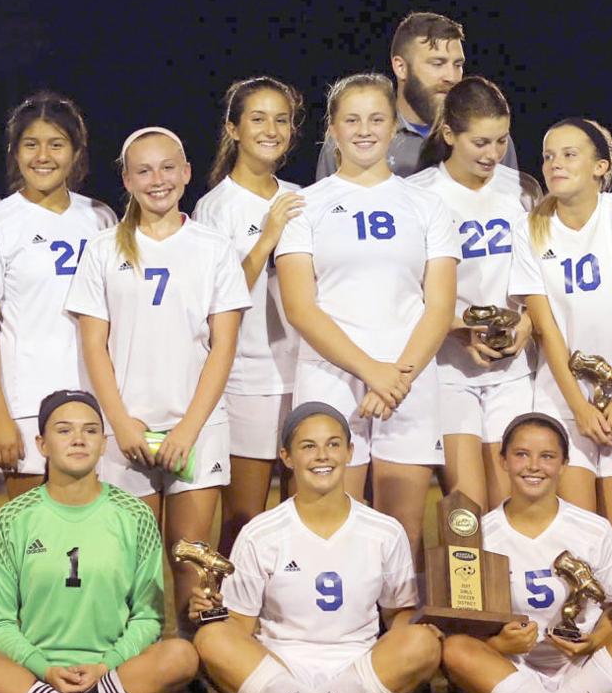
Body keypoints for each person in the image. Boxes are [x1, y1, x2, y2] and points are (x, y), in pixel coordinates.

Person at [276, 73, 458, 561]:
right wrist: (372, 372)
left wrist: (396, 377)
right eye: (352, 120)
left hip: (408, 378)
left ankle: (400, 612)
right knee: (332, 522)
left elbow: (440, 307)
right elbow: (300, 308)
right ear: (332, 128)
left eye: (376, 119)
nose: (364, 130)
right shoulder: (304, 206)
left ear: (393, 126)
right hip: (331, 377)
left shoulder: (427, 205)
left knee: (404, 530)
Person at [69, 126, 247, 626]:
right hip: (127, 433)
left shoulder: (213, 247)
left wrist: (188, 430)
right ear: (127, 180)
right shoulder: (104, 249)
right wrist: (120, 425)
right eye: (143, 171)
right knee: (132, 571)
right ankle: (135, 664)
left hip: (197, 431)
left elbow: (223, 345)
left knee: (192, 568)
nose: (158, 180)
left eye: (168, 167)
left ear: (186, 173)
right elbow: (93, 345)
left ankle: (192, 663)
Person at [0, 390, 197, 693]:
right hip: (36, 674)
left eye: (91, 430)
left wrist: (105, 666)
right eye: (64, 430)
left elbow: (148, 617)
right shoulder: (12, 518)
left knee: (182, 656)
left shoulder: (134, 515)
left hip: (114, 674)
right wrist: (44, 669)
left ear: (103, 444)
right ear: (42, 445)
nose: (79, 439)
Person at [189, 402, 438, 693]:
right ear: (287, 457)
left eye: (333, 444)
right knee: (211, 638)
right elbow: (239, 625)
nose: (322, 456)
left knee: (424, 643)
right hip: (280, 666)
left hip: (358, 668)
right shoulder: (260, 533)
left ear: (349, 452)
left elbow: (397, 614)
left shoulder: (385, 531)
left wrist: (422, 624)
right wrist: (212, 613)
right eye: (308, 446)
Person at [440, 414, 612, 693]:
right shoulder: (480, 535)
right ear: (503, 460)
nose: (534, 466)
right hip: (513, 665)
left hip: (585, 665)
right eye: (522, 454)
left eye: (547, 456)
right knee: (454, 649)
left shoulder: (594, 528)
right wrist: (498, 644)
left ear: (563, 464)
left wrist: (594, 640)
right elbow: (463, 625)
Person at [0, 93, 118, 496]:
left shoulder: (100, 218)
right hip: (26, 402)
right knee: (31, 525)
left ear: (76, 152)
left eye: (56, 144)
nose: (43, 156)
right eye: (31, 144)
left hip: (95, 399)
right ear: (15, 152)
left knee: (91, 521)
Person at [511, 118, 612, 540]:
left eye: (569, 154)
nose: (555, 164)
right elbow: (545, 329)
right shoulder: (529, 227)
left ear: (600, 166)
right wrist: (578, 406)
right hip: (562, 400)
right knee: (581, 531)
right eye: (548, 156)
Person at [407, 76, 533, 507]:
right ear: (448, 134)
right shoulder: (418, 195)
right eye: (480, 142)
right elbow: (405, 291)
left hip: (512, 371)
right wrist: (460, 330)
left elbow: (541, 279)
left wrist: (527, 326)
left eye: (501, 140)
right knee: (467, 508)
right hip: (447, 371)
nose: (492, 154)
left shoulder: (522, 190)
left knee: (512, 503)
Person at [193, 77, 305, 555]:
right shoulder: (214, 208)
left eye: (281, 120)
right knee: (244, 521)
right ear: (233, 129)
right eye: (258, 119)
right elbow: (216, 301)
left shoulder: (301, 196)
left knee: (305, 516)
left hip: (306, 373)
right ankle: (227, 602)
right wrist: (267, 237)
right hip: (247, 379)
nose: (271, 130)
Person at [313, 11, 518, 178]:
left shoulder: (489, 135)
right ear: (400, 67)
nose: (451, 77)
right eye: (437, 63)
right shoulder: (356, 136)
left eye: (457, 65)